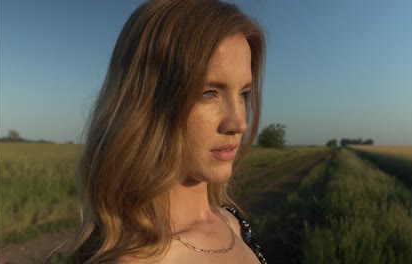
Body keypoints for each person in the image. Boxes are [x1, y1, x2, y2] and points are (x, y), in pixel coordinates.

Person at [69, 0, 266, 263]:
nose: (239, 122)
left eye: (243, 93)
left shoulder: (233, 220)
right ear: (147, 103)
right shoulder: (144, 260)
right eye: (208, 92)